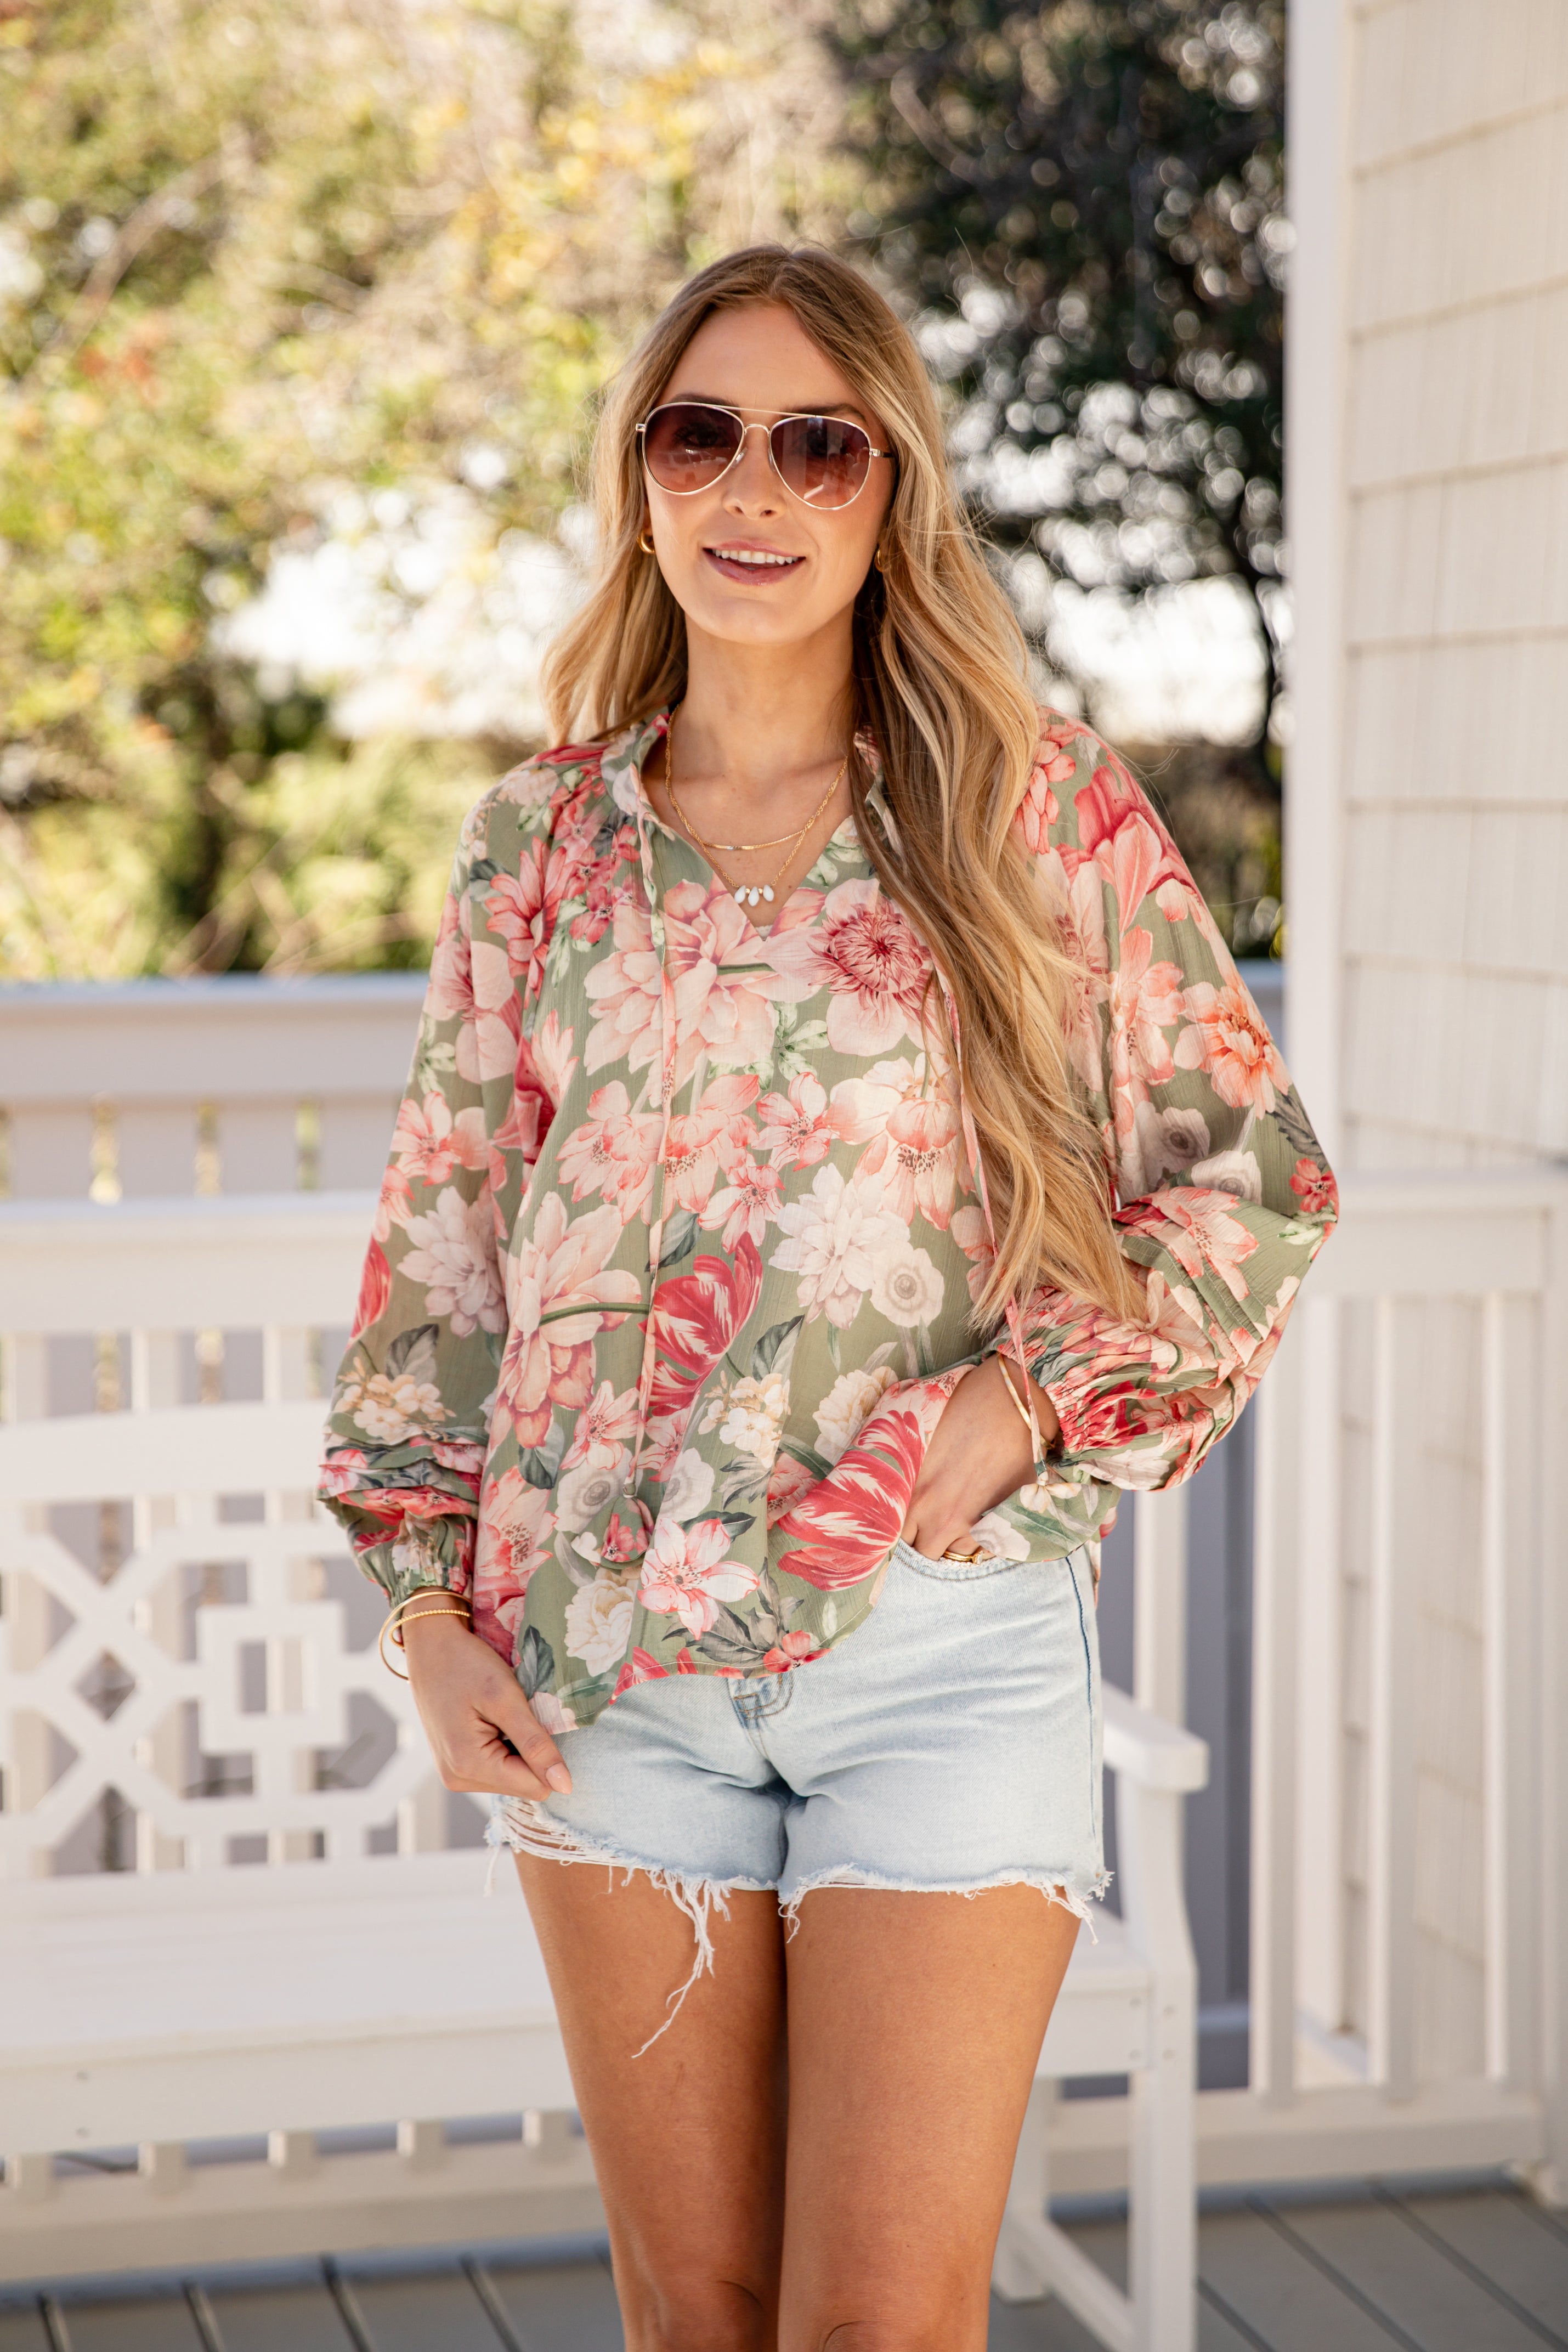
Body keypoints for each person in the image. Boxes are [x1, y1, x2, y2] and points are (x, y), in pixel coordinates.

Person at [318, 244, 1336, 2351]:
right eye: (701, 435)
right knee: (699, 2316)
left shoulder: (1032, 808)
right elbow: (440, 1260)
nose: (752, 488)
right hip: (602, 1668)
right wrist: (423, 1613)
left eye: (818, 443)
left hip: (940, 1655)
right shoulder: (538, 850)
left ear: (893, 493)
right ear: (641, 484)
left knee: (876, 2323)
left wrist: (1033, 1403)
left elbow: (1252, 1184)